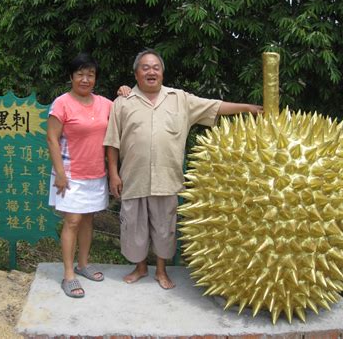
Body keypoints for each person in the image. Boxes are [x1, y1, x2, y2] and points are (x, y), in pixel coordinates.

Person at [104, 49, 263, 290]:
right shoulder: (123, 102)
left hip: (167, 178)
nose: (151, 71)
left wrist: (248, 108)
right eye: (145, 67)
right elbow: (113, 141)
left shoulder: (180, 98)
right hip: (133, 177)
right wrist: (114, 173)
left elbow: (215, 106)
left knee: (164, 227)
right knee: (134, 226)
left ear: (163, 72)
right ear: (136, 74)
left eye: (156, 67)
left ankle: (160, 270)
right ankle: (139, 268)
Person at [47, 53, 115, 298]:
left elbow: (126, 111)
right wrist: (61, 174)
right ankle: (68, 275)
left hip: (96, 173)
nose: (85, 79)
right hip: (70, 173)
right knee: (73, 221)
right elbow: (52, 139)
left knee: (88, 220)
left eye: (90, 74)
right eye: (80, 74)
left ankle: (83, 264)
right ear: (71, 77)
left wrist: (127, 91)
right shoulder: (62, 103)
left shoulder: (106, 104)